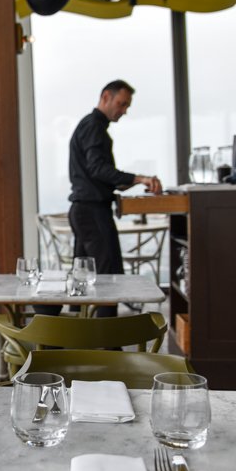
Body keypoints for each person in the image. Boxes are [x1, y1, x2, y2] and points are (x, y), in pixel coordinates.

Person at [68, 80, 162, 317]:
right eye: (121, 104)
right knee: (109, 278)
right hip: (92, 212)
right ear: (105, 97)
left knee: (81, 277)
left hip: (82, 210)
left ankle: (70, 338)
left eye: (127, 106)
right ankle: (111, 347)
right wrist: (140, 178)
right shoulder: (94, 128)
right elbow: (99, 170)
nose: (124, 110)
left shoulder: (88, 126)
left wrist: (134, 181)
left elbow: (98, 175)